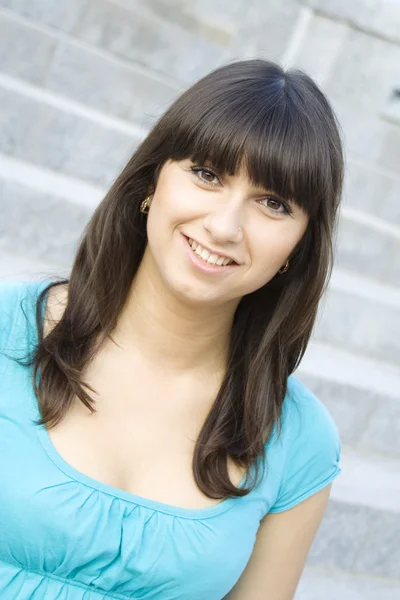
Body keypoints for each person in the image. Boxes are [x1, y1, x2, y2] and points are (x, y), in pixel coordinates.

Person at [0, 58, 344, 600]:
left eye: (272, 204)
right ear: (152, 181)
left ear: (298, 247)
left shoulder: (298, 440)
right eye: (207, 175)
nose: (225, 226)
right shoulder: (7, 330)